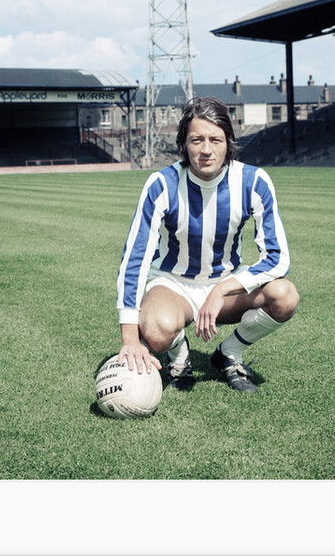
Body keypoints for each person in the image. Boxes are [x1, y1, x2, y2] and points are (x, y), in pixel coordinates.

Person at [116, 96, 299, 393]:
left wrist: (222, 289)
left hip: (226, 286)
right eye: (196, 140)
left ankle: (230, 353)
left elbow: (277, 259)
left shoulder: (254, 181)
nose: (205, 150)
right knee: (154, 328)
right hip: (173, 283)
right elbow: (135, 258)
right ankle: (180, 356)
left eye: (215, 139)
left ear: (229, 141)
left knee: (285, 295)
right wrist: (130, 340)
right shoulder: (161, 184)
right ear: (183, 144)